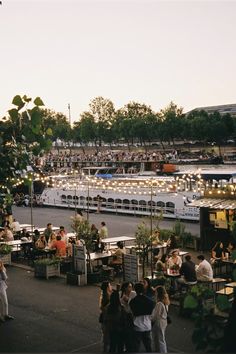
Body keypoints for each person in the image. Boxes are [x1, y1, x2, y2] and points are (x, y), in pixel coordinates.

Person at [129, 282, 154, 353]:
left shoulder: (133, 302)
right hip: (147, 326)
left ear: (135, 290)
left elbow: (132, 313)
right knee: (148, 346)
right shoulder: (150, 301)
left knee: (136, 346)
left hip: (137, 326)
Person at [151, 286, 170, 353]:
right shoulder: (165, 302)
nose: (155, 293)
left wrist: (150, 318)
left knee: (159, 339)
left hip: (159, 322)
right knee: (160, 338)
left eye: (156, 292)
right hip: (164, 321)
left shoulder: (159, 304)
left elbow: (155, 316)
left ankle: (162, 351)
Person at [99, 281, 113, 352]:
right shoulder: (106, 297)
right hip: (106, 319)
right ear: (107, 287)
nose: (111, 287)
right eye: (110, 285)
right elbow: (104, 309)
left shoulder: (106, 295)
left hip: (105, 319)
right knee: (107, 337)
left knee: (106, 336)